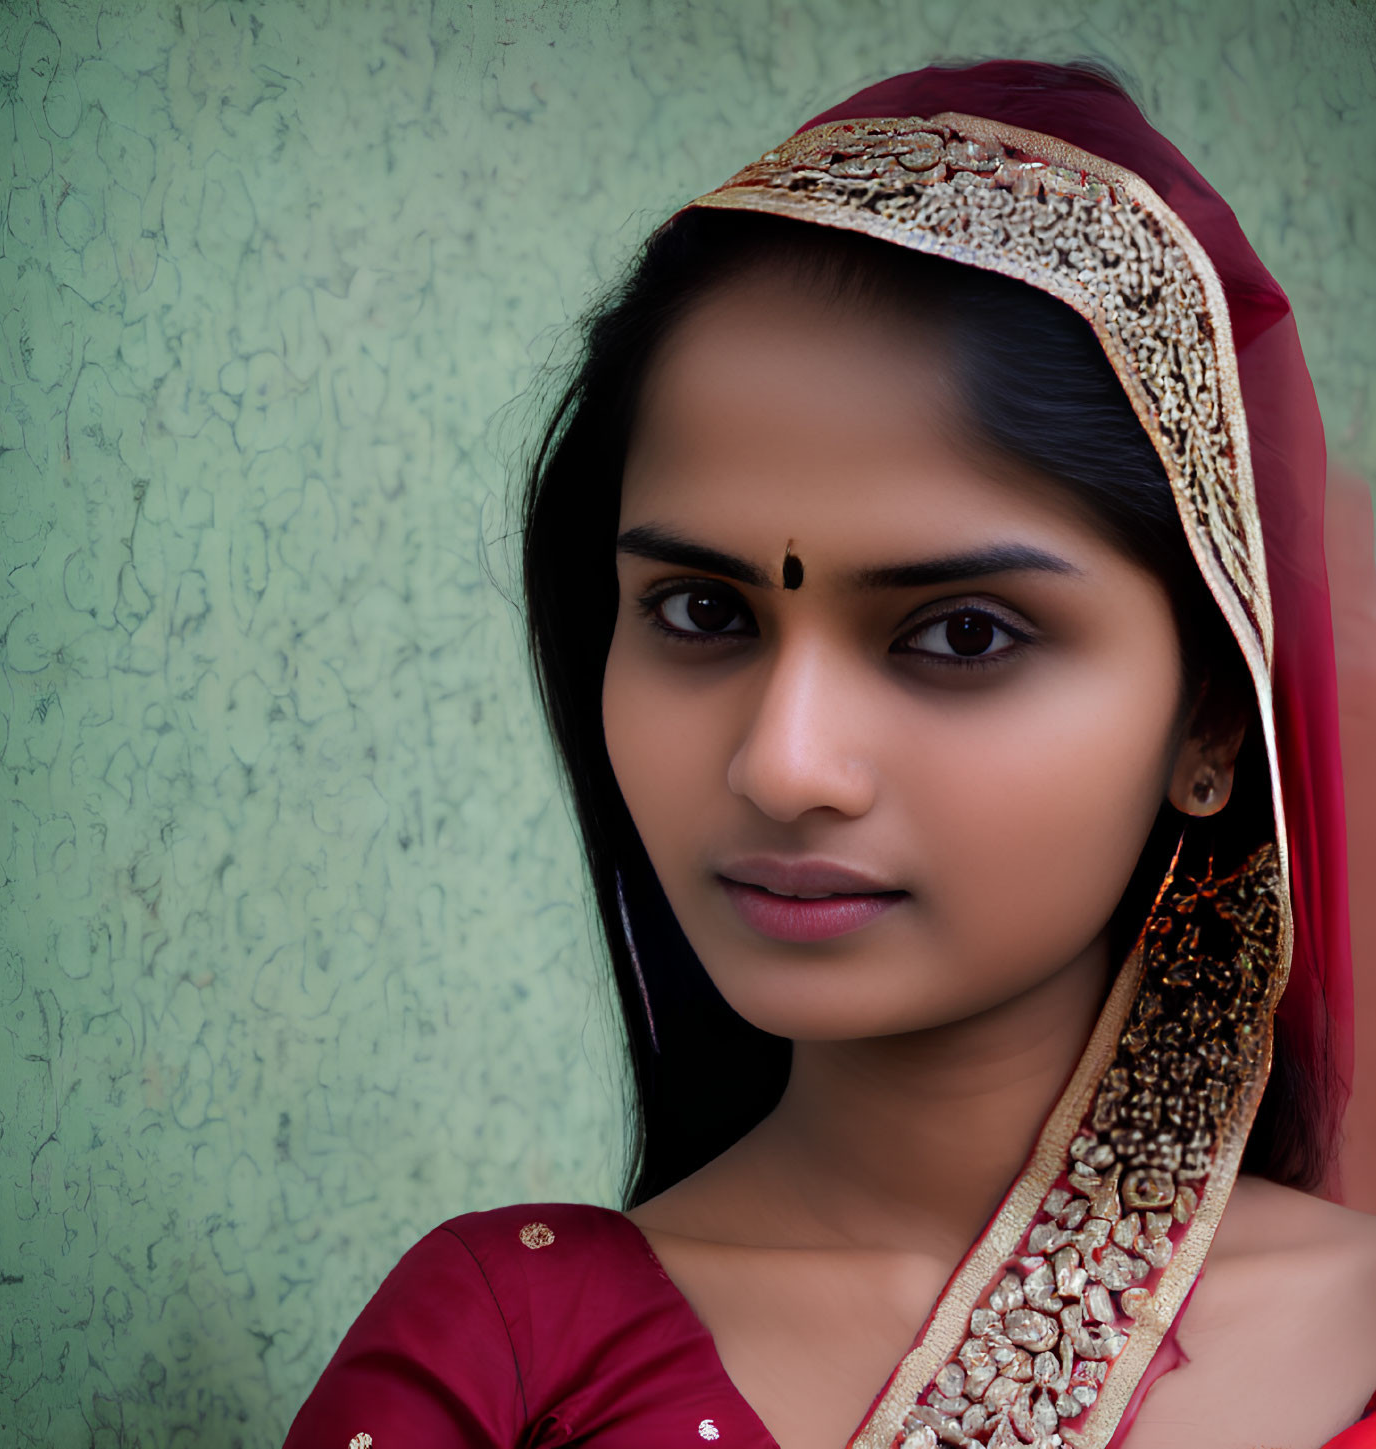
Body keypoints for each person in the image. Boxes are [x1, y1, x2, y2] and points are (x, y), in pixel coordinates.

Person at [280, 60, 1376, 1449]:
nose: (784, 764)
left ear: (1212, 714)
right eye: (699, 612)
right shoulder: (504, 1357)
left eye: (962, 635)